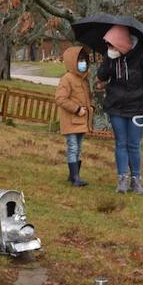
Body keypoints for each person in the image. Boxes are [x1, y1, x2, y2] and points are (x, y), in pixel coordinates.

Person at [95, 25, 143, 195]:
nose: (110, 49)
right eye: (107, 46)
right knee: (120, 143)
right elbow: (102, 77)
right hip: (116, 106)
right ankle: (122, 179)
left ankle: (136, 180)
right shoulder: (111, 56)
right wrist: (107, 59)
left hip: (138, 108)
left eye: (112, 45)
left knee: (134, 145)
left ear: (123, 43)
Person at [54, 45, 93, 187]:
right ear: (72, 61)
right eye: (79, 60)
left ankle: (73, 176)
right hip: (71, 120)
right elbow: (60, 98)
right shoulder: (67, 78)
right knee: (73, 147)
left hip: (81, 121)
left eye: (84, 60)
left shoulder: (83, 79)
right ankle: (75, 178)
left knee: (78, 148)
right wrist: (77, 109)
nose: (83, 63)